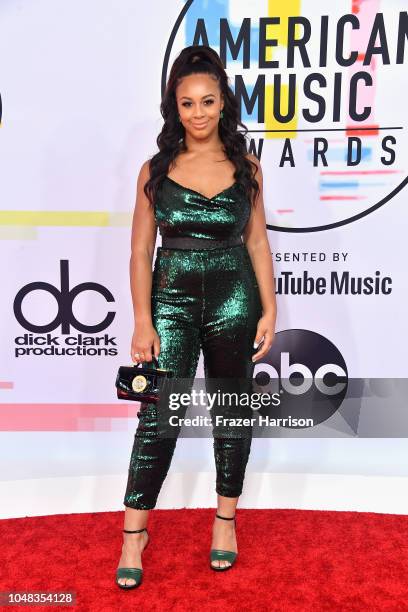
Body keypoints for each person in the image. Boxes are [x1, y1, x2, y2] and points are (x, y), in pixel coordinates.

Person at [116, 44, 276, 588]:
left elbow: (257, 242)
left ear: (224, 103)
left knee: (232, 412)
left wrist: (269, 307)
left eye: (209, 101)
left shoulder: (248, 167)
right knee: (159, 419)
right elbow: (140, 252)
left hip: (235, 296)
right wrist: (143, 319)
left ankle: (225, 522)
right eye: (187, 104)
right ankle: (134, 534)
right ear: (175, 109)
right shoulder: (155, 171)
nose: (199, 113)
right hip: (172, 302)